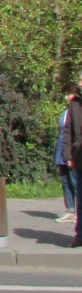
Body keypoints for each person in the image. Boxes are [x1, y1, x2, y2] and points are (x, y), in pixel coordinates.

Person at [55, 89, 78, 224]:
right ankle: (70, 210)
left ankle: (78, 212)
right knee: (65, 181)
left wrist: (71, 154)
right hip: (62, 150)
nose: (66, 97)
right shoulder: (65, 111)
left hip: (72, 152)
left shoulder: (77, 111)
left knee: (75, 182)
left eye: (68, 94)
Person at [66, 84, 82, 248]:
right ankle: (80, 236)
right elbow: (67, 132)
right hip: (80, 158)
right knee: (81, 201)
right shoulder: (74, 105)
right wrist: (68, 155)